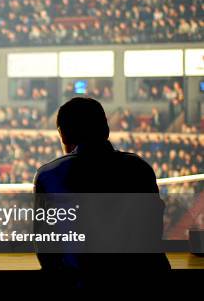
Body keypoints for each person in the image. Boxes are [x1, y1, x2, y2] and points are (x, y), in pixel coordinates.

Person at [33, 97, 170, 283]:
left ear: (62, 134)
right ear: (106, 129)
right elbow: (153, 233)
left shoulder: (48, 176)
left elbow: (46, 249)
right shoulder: (139, 169)